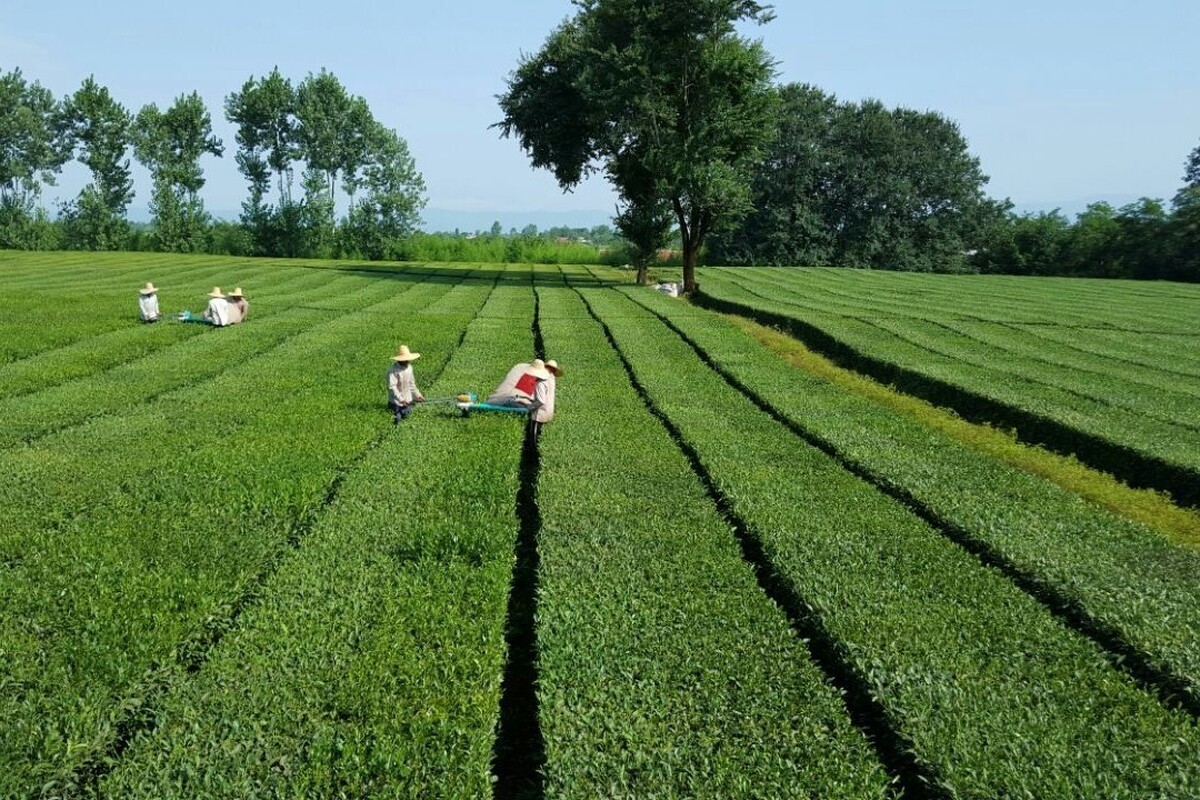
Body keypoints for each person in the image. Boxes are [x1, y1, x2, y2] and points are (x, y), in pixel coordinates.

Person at [386, 344, 425, 423]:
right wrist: (401, 399)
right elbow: (393, 387)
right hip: (395, 403)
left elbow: (411, 384)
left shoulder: (409, 368)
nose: (407, 361)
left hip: (408, 401)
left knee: (408, 417)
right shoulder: (393, 370)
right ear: (399, 360)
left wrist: (418, 395)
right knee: (397, 419)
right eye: (405, 359)